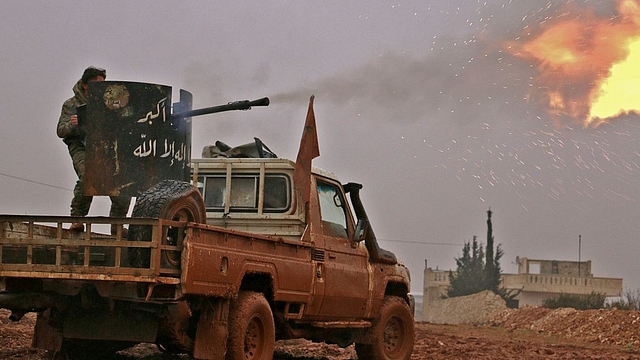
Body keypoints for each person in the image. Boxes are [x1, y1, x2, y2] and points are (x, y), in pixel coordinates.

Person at [57, 66, 131, 234]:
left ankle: (117, 225)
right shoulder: (71, 104)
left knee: (121, 185)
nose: (101, 87)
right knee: (87, 178)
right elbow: (61, 130)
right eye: (97, 83)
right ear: (86, 84)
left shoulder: (108, 103)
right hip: (81, 147)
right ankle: (77, 219)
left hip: (104, 147)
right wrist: (73, 124)